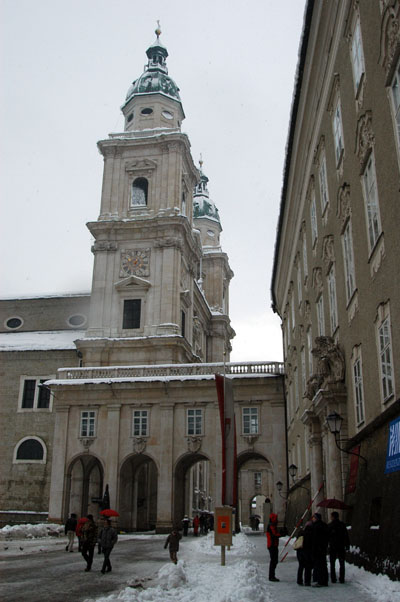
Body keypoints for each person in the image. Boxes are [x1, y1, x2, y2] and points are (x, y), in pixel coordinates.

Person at [328, 511, 350, 584]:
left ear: (333, 517)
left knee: (332, 563)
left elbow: (327, 537)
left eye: (331, 516)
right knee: (342, 563)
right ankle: (341, 578)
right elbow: (346, 536)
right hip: (341, 546)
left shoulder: (330, 526)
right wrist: (347, 545)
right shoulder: (342, 525)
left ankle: (333, 578)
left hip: (333, 546)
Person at [311, 512, 329, 587]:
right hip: (323, 548)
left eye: (314, 518)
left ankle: (319, 581)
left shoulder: (316, 526)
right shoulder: (325, 525)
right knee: (323, 565)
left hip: (317, 548)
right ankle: (324, 580)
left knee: (318, 565)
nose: (313, 519)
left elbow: (315, 539)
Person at [295, 520, 313, 586]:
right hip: (307, 551)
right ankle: (307, 581)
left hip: (300, 551)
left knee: (301, 566)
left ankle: (299, 580)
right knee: (308, 567)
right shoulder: (311, 533)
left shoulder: (301, 532)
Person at [266, 513, 282, 582]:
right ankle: (271, 576)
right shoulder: (271, 526)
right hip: (272, 545)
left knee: (274, 560)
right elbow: (274, 535)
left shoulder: (271, 525)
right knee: (273, 561)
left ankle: (272, 575)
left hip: (273, 545)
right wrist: (280, 534)